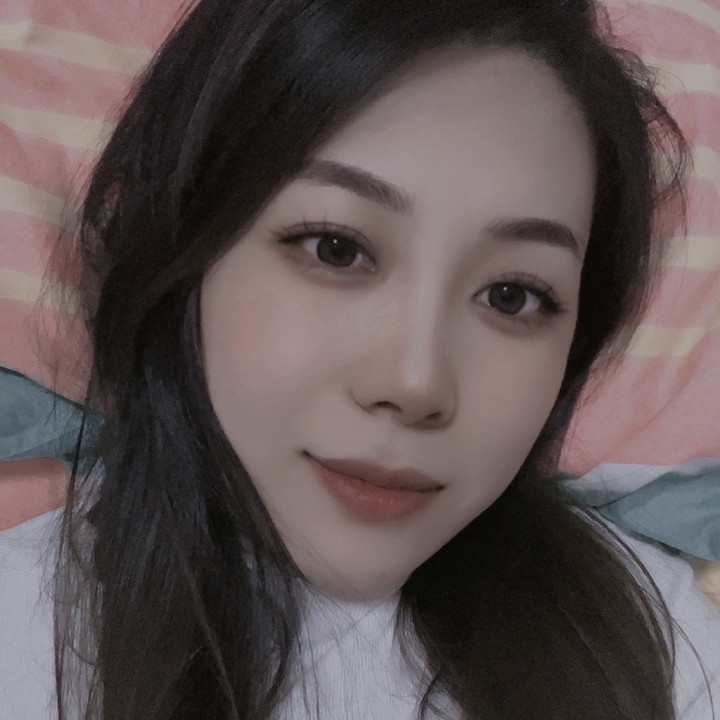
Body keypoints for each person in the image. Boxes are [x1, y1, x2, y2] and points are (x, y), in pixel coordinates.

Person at [0, 0, 718, 718]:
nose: (415, 383)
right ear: (183, 245)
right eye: (336, 249)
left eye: (513, 296)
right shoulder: (22, 634)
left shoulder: (658, 643)